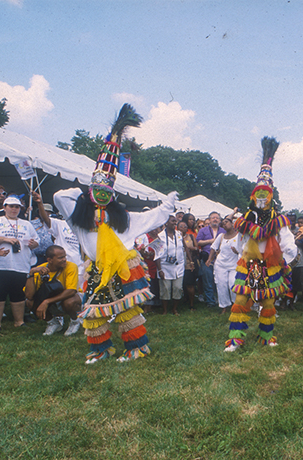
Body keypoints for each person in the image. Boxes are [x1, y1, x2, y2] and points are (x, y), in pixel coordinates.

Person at [54, 104, 178, 363]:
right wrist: (81, 195)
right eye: (96, 190)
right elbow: (58, 196)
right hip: (98, 269)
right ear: (91, 190)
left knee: (127, 311)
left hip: (123, 267)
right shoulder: (79, 217)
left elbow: (149, 218)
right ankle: (100, 350)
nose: (101, 194)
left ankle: (136, 348)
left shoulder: (123, 218)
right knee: (94, 313)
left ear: (112, 194)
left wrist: (166, 206)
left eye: (105, 191)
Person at [224, 137, 297, 351]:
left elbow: (289, 243)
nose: (262, 196)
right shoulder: (245, 219)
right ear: (253, 196)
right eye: (259, 193)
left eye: (266, 193)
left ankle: (267, 337)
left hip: (270, 266)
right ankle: (236, 339)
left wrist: (283, 260)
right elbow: (240, 242)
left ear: (271, 195)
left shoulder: (278, 220)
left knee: (267, 302)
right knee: (240, 299)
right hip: (248, 265)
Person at [0, 196, 39, 333]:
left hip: (21, 264)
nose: (14, 209)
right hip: (0, 264)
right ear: (4, 207)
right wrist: (5, 239)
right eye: (11, 206)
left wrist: (34, 244)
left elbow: (36, 241)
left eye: (17, 207)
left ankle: (19, 321)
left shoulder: (26, 224)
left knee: (18, 295)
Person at [25, 245, 83, 336]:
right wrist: (31, 272)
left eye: (64, 256)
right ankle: (53, 323)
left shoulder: (71, 266)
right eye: (60, 258)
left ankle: (75, 321)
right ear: (50, 260)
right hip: (53, 299)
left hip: (70, 297)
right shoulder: (40, 269)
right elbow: (29, 295)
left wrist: (46, 301)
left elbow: (71, 291)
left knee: (69, 301)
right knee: (29, 302)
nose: (64, 259)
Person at [206, 215, 241, 315]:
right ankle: (224, 306)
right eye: (223, 224)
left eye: (226, 222)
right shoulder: (221, 236)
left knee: (233, 284)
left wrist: (237, 252)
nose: (224, 225)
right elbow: (213, 248)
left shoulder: (239, 236)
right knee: (221, 285)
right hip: (220, 265)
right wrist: (209, 259)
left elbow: (244, 250)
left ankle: (235, 305)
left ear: (232, 223)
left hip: (234, 265)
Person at [196, 211, 225, 308]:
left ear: (220, 220)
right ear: (209, 220)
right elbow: (198, 242)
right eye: (213, 218)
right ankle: (210, 301)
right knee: (208, 279)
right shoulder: (203, 230)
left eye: (217, 218)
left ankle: (221, 300)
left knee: (220, 280)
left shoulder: (223, 231)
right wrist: (210, 241)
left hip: (221, 259)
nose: (215, 219)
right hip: (207, 258)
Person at [157, 216, 184, 316]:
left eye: (175, 221)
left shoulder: (179, 234)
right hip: (165, 266)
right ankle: (164, 310)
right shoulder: (160, 236)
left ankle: (175, 309)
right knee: (166, 288)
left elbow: (184, 247)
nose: (175, 223)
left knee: (177, 288)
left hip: (178, 266)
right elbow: (157, 254)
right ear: (166, 222)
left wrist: (190, 261)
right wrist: (160, 269)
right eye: (172, 221)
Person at [287, 214, 303, 310]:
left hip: (298, 260)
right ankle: (284, 301)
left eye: (293, 220)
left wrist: (299, 242)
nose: (291, 222)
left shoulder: (301, 230)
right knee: (286, 282)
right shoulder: (284, 231)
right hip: (287, 260)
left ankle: (291, 302)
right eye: (290, 220)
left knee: (296, 283)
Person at [177, 220, 198, 310]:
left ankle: (191, 303)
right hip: (177, 263)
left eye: (185, 226)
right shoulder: (175, 237)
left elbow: (197, 248)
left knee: (190, 283)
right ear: (177, 228)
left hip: (189, 262)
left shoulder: (191, 236)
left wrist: (190, 248)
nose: (183, 228)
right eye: (181, 226)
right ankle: (181, 301)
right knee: (181, 283)